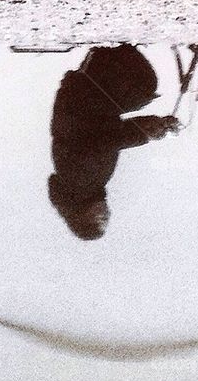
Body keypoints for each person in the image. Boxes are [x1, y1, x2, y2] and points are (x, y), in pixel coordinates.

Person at [47, 45, 180, 241]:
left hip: (83, 100)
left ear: (81, 215)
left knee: (144, 86)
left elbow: (106, 141)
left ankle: (105, 56)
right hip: (83, 102)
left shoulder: (81, 183)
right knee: (140, 95)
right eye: (105, 220)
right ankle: (103, 57)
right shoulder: (86, 186)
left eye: (97, 219)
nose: (104, 216)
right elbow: (112, 135)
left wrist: (147, 133)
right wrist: (155, 125)